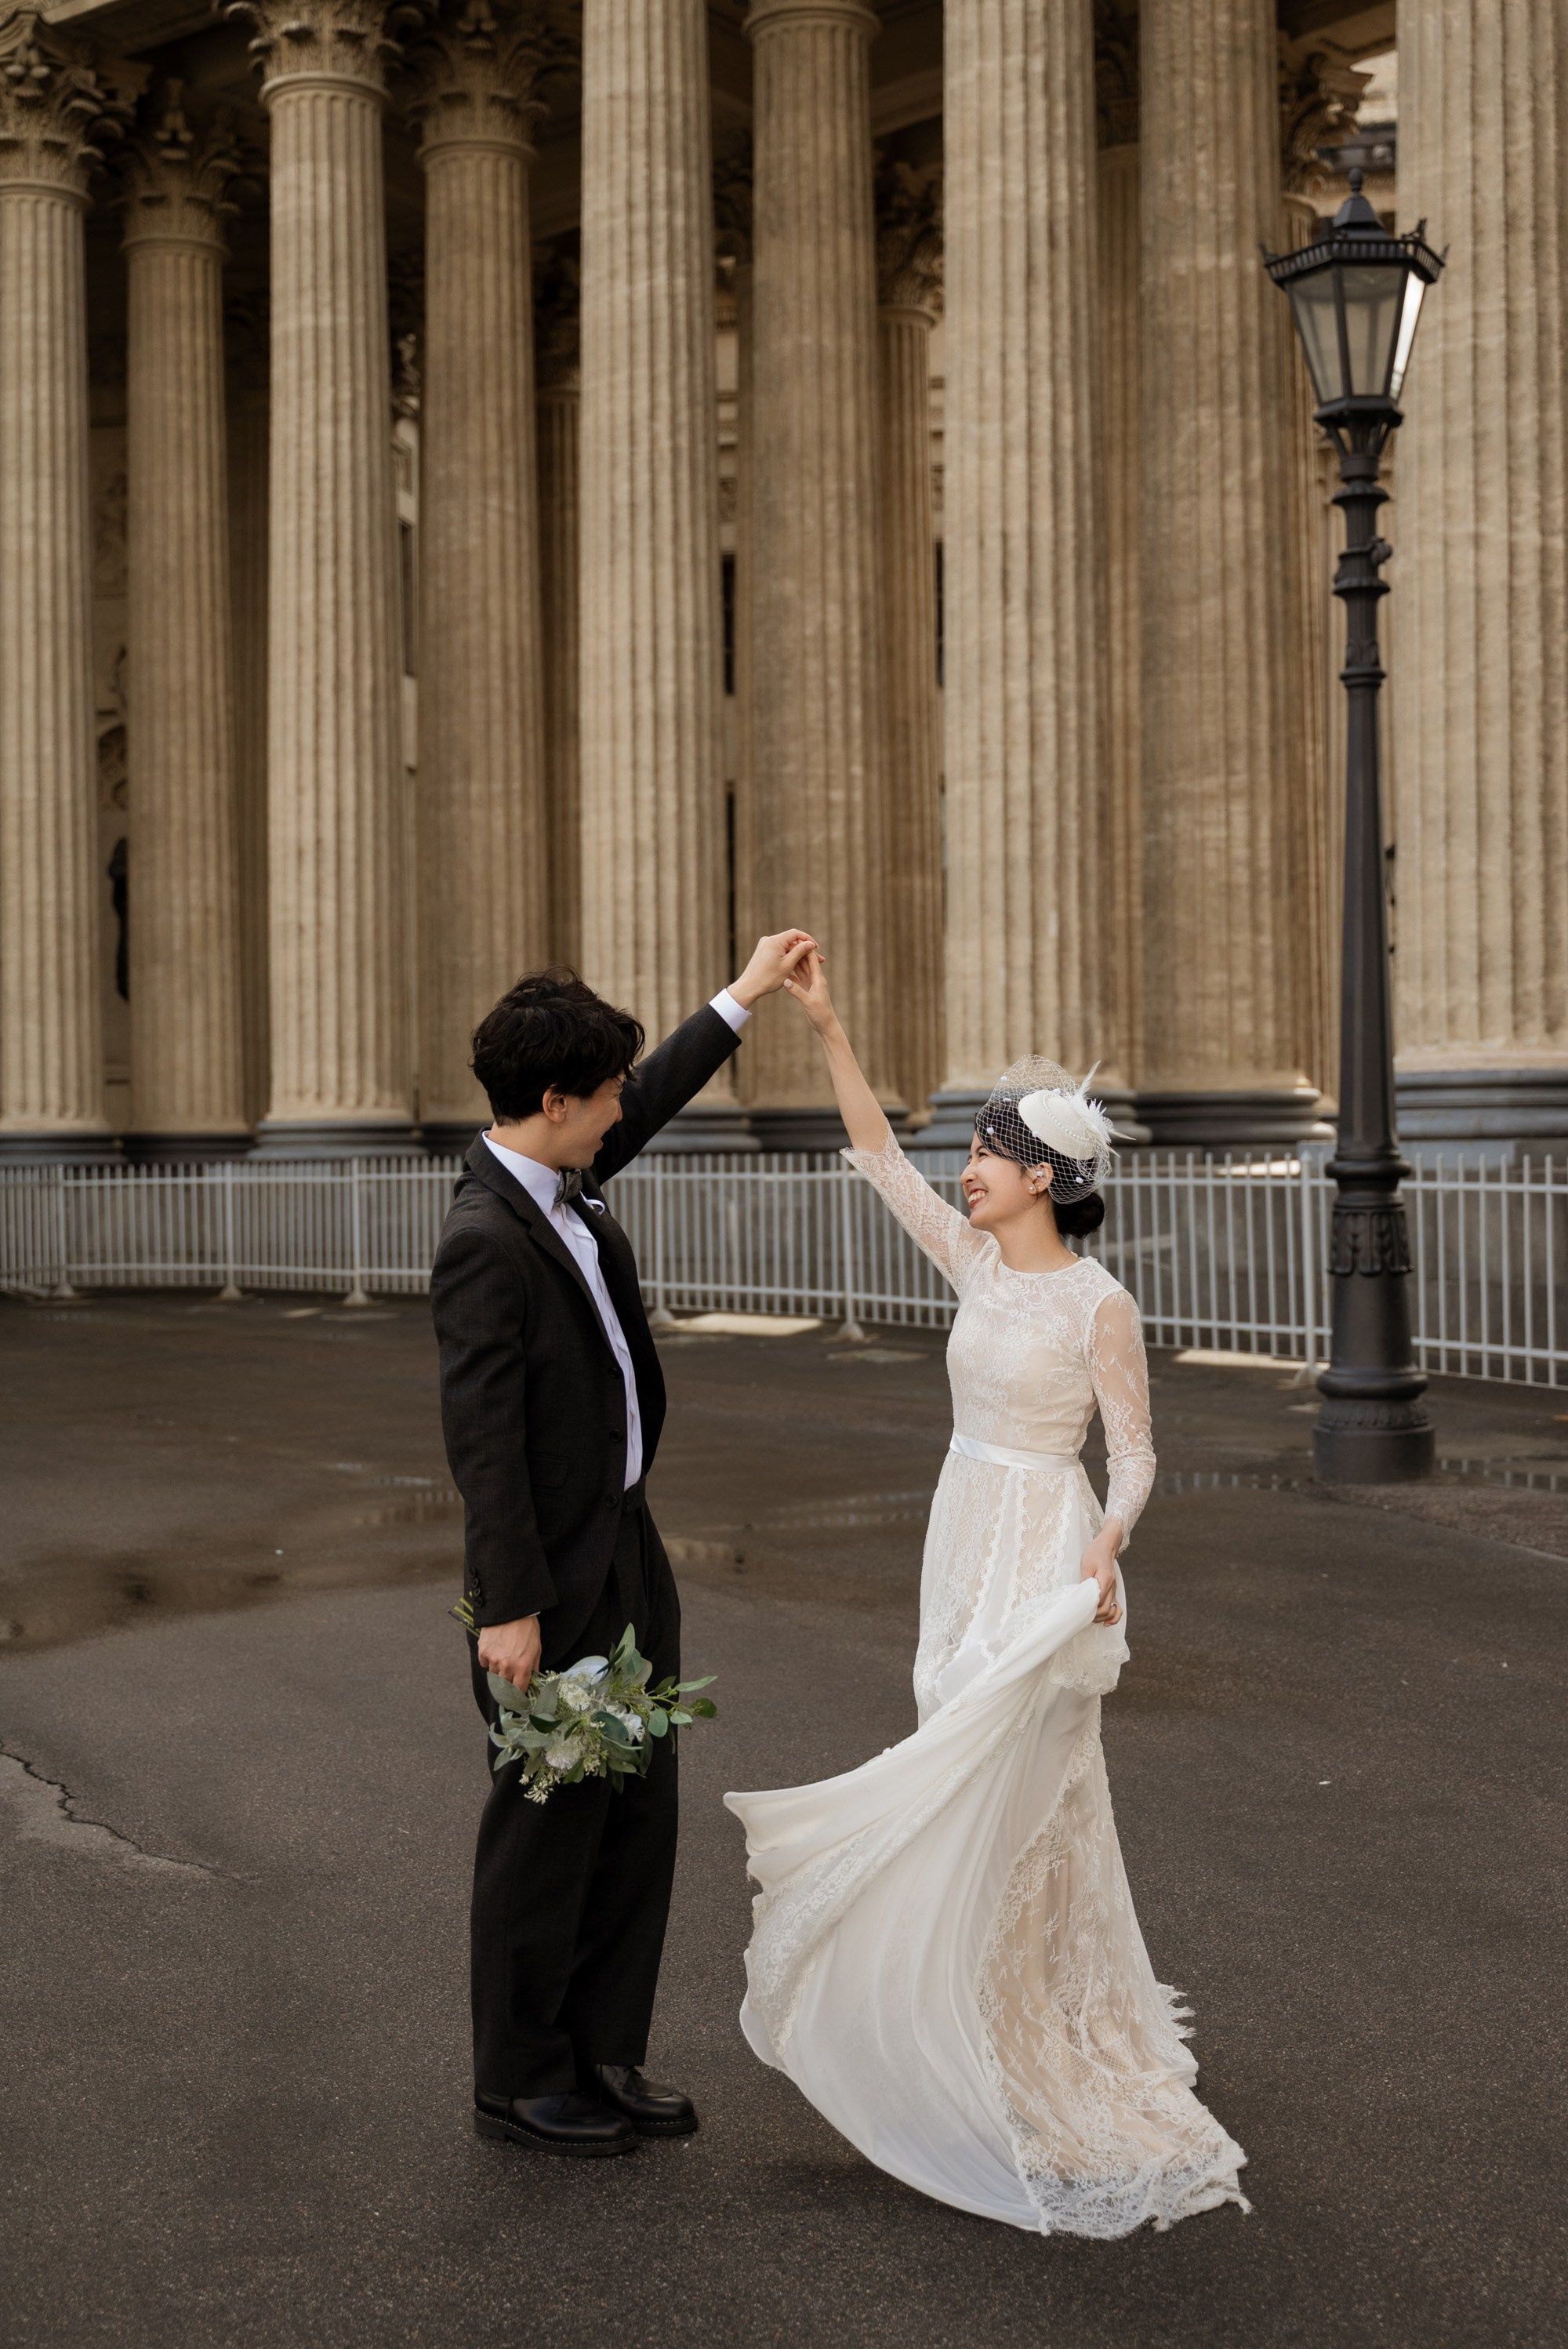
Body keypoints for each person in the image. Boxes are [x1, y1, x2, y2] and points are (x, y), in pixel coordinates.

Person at [725, 947, 1250, 2235]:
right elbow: (877, 1160)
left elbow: (1133, 1455)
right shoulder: (970, 1258)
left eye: (993, 1152)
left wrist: (1110, 1541)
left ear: (1048, 1180)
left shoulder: (1101, 1304)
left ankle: (1018, 2032)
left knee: (1025, 1784)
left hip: (1047, 1544)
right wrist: (831, 1029)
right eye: (972, 1149)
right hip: (960, 1530)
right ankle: (953, 2012)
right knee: (946, 1744)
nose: (969, 1166)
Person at [431, 934, 814, 2159]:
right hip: (549, 1583)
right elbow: (483, 1442)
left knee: (635, 1815)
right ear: (554, 1105)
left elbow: (644, 1093)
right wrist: (508, 1605)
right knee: (548, 1828)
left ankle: (601, 2051)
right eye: (602, 1098)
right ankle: (520, 2077)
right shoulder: (485, 1238)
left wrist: (744, 995)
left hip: (629, 1550)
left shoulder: (568, 1178)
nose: (618, 1115)